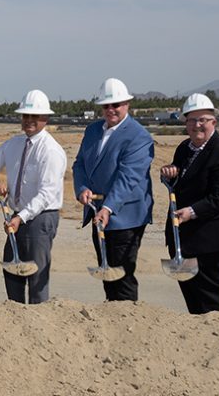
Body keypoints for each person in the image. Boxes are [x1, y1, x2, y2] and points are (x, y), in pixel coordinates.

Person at [160, 93, 219, 314]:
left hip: (212, 236)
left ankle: (218, 336)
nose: (197, 125)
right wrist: (169, 174)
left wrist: (192, 212)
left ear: (214, 122)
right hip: (186, 236)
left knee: (210, 293)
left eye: (203, 120)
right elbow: (181, 179)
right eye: (191, 120)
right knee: (191, 291)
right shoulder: (184, 148)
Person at [72, 78, 154, 302]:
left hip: (125, 216)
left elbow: (129, 177)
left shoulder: (139, 136)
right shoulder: (92, 131)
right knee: (107, 272)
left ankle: (126, 322)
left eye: (116, 105)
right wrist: (82, 188)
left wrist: (108, 208)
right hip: (98, 211)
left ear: (127, 104)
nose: (111, 110)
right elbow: (79, 164)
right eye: (106, 106)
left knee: (122, 276)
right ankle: (112, 317)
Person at [0, 89, 66, 304]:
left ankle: (38, 325)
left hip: (40, 219)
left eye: (35, 116)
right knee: (12, 271)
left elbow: (47, 193)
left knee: (36, 278)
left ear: (45, 118)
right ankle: (16, 320)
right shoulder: (14, 144)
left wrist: (22, 217)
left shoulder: (51, 151)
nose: (29, 120)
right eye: (26, 116)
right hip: (17, 216)